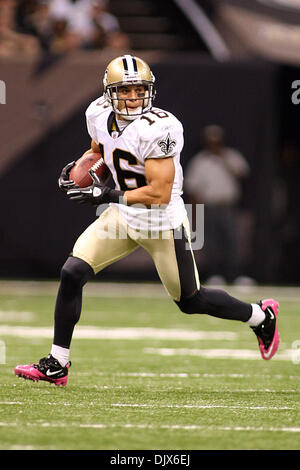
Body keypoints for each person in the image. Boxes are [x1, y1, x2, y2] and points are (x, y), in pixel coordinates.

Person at [14, 55, 279, 386]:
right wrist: (79, 168)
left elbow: (159, 193)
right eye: (125, 91)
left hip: (162, 224)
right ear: (110, 92)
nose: (134, 97)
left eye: (140, 89)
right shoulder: (97, 113)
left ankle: (260, 316)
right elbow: (99, 150)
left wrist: (105, 195)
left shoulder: (161, 127)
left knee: (191, 300)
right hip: (123, 217)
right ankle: (58, 363)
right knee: (72, 272)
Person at [184, 125, 250, 285]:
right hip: (209, 206)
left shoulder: (231, 156)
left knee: (232, 241)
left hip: (228, 205)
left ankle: (235, 275)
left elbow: (242, 173)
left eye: (217, 141)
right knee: (212, 243)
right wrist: (196, 208)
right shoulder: (200, 161)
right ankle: (215, 274)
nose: (214, 144)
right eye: (211, 141)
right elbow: (192, 186)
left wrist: (223, 159)